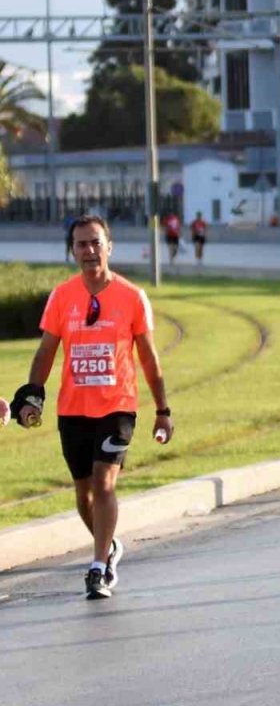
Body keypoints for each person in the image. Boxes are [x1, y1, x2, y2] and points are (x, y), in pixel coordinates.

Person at [9, 215, 173, 599]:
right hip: (73, 410)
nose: (89, 250)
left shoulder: (132, 297)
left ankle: (98, 568)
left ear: (109, 247)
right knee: (83, 493)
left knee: (103, 482)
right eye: (81, 244)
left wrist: (162, 410)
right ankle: (109, 546)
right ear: (72, 251)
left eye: (96, 242)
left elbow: (149, 358)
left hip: (117, 407)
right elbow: (46, 351)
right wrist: (32, 396)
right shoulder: (62, 296)